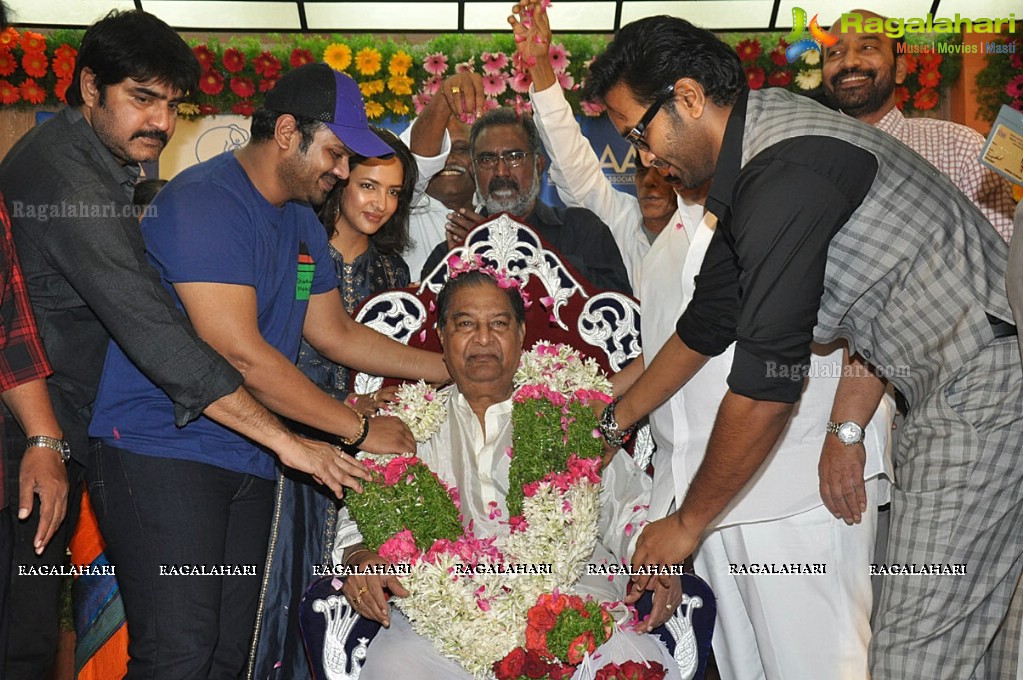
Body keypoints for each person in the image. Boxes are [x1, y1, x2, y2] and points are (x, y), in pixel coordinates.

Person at [584, 15, 1023, 680]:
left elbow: (765, 387)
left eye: (638, 132)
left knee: (912, 659)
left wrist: (685, 525)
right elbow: (708, 322)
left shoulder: (781, 172)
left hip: (981, 388)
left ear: (689, 98)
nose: (643, 157)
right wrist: (609, 420)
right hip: (957, 389)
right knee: (983, 649)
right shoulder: (764, 141)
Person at [512, 3, 892, 677]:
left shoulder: (778, 193)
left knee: (823, 664)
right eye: (633, 149)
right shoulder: (654, 245)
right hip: (703, 495)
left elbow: (871, 308)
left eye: (643, 137)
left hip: (797, 487)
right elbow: (684, 350)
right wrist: (610, 434)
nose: (645, 160)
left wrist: (848, 430)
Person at [0, 11, 361, 678]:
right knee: (32, 644)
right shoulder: (69, 180)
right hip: (33, 438)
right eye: (143, 98)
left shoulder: (103, 165)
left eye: (171, 104)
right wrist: (288, 440)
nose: (163, 122)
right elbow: (153, 330)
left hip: (61, 434)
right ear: (88, 88)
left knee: (202, 650)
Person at [85, 62, 448, 679]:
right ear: (286, 132)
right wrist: (352, 431)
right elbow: (240, 353)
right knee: (179, 652)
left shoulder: (304, 223)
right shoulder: (204, 200)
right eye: (334, 153)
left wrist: (449, 369)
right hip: (163, 451)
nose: (340, 171)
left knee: (231, 654)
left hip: (248, 455)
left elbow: (333, 333)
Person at [335, 269, 678, 679]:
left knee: (638, 669)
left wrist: (658, 563)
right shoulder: (406, 425)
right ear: (443, 337)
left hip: (572, 606)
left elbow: (630, 508)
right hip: (444, 621)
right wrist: (359, 555)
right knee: (394, 669)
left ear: (520, 336)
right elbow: (361, 512)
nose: (482, 338)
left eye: (498, 324)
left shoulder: (569, 416)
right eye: (465, 324)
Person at [251, 127, 418, 680]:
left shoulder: (397, 274)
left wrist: (386, 401)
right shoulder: (300, 252)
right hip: (292, 442)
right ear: (341, 177)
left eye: (394, 192)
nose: (381, 203)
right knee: (283, 580)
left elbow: (402, 365)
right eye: (370, 185)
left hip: (366, 457)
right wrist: (349, 403)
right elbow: (278, 348)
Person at [822, 9, 1016, 243]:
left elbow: (1002, 256)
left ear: (900, 68)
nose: (849, 61)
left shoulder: (959, 148)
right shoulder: (805, 153)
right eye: (835, 52)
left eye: (868, 47)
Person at [415, 106, 633, 294]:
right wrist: (462, 264)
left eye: (514, 157)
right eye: (487, 159)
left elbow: (617, 310)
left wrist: (511, 248)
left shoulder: (581, 229)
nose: (501, 172)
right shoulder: (453, 250)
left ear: (539, 166)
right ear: (473, 171)